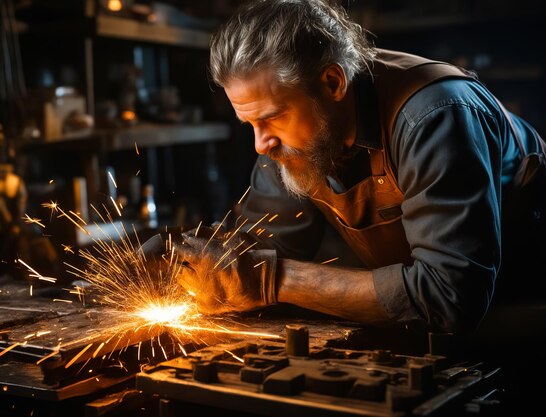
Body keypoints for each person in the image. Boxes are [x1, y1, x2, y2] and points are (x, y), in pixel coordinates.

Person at [163, 0, 546, 337]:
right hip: (435, 325)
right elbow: (260, 249)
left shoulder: (434, 116)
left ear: (332, 83)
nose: (260, 144)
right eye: (250, 124)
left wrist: (272, 279)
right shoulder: (292, 140)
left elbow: (450, 296)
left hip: (522, 314)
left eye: (273, 117)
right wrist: (190, 260)